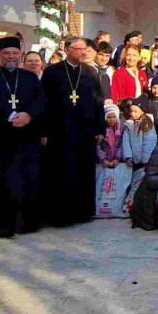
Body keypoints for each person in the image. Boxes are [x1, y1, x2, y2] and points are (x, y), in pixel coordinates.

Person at [0, 36, 48, 238]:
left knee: (23, 178)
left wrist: (28, 114)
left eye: (15, 53)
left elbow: (41, 100)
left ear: (21, 54)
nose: (11, 57)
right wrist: (11, 115)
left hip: (25, 138)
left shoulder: (30, 77)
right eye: (6, 53)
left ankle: (24, 223)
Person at [40, 36, 106, 227]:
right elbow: (43, 103)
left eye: (85, 49)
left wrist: (100, 127)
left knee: (83, 171)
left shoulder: (91, 72)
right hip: (59, 132)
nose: (83, 52)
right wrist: (43, 131)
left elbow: (98, 102)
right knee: (60, 172)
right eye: (79, 49)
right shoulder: (52, 72)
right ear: (68, 50)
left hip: (85, 132)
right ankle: (60, 215)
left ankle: (83, 212)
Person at [116, 102, 157, 218]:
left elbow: (149, 143)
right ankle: (130, 207)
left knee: (139, 185)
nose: (133, 114)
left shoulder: (147, 124)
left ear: (143, 111)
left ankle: (137, 207)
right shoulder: (128, 125)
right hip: (134, 161)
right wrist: (128, 156)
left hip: (144, 163)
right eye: (131, 111)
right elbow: (126, 142)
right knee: (133, 184)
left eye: (136, 111)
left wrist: (146, 160)